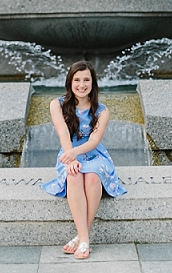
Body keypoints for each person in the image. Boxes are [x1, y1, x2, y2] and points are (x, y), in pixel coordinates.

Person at [40, 60, 127, 260]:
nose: (81, 84)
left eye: (86, 80)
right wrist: (71, 158)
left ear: (92, 83)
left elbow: (95, 141)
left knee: (93, 178)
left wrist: (76, 153)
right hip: (69, 152)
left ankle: (81, 238)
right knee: (74, 176)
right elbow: (63, 133)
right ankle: (84, 238)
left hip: (95, 155)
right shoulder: (57, 105)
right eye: (77, 80)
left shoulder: (102, 110)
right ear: (70, 82)